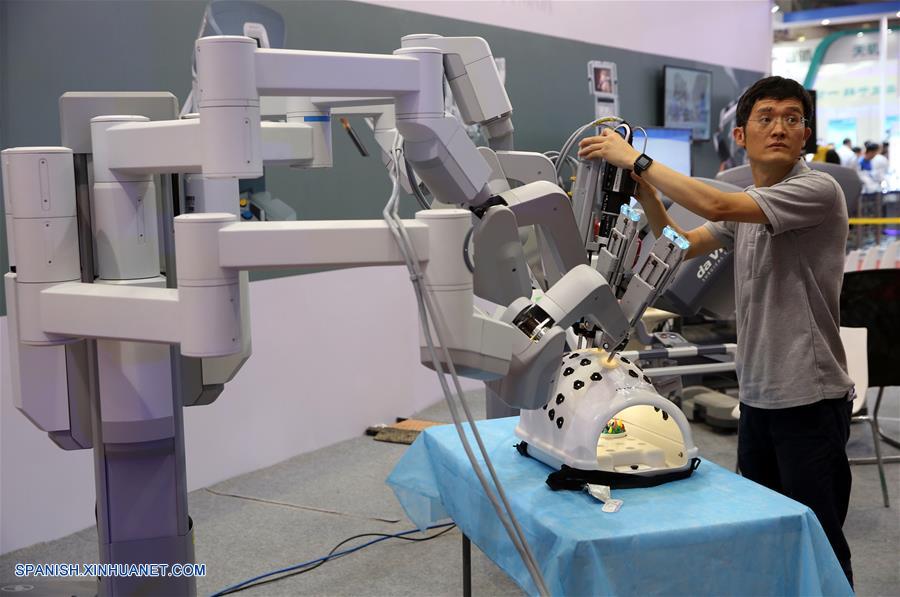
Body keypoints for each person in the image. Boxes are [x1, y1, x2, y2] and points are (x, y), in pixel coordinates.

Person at [578, 75, 856, 587]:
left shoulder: (815, 190)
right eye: (766, 117)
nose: (780, 127)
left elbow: (718, 206)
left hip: (809, 398)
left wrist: (637, 161)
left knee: (819, 541)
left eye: (792, 119)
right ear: (742, 136)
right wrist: (647, 192)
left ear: (805, 135)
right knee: (765, 533)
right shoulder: (752, 201)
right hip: (759, 396)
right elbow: (680, 243)